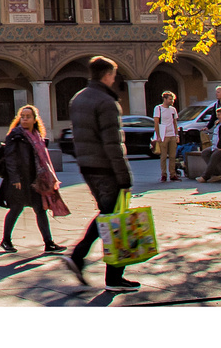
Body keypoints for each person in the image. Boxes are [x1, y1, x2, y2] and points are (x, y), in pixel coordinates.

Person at [64, 56, 139, 292]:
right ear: (107, 75)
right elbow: (113, 144)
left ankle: (97, 266)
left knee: (107, 215)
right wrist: (124, 177)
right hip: (106, 168)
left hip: (87, 166)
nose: (114, 79)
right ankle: (100, 269)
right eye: (113, 75)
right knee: (113, 218)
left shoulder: (78, 99)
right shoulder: (106, 102)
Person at [0, 104, 67, 254]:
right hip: (19, 180)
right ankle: (6, 241)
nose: (24, 119)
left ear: (35, 119)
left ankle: (49, 243)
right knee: (15, 209)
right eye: (22, 117)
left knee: (40, 210)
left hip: (35, 180)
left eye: (28, 117)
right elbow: (10, 158)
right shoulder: (15, 135)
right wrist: (15, 178)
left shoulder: (37, 136)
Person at [152, 90, 180, 182]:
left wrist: (177, 135)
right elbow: (156, 122)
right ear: (165, 99)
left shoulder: (173, 110)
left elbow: (175, 122)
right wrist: (158, 136)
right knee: (163, 156)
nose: (172, 101)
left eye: (172, 100)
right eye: (170, 99)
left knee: (172, 156)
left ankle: (173, 174)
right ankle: (163, 174)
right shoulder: (158, 108)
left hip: (171, 134)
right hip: (163, 134)